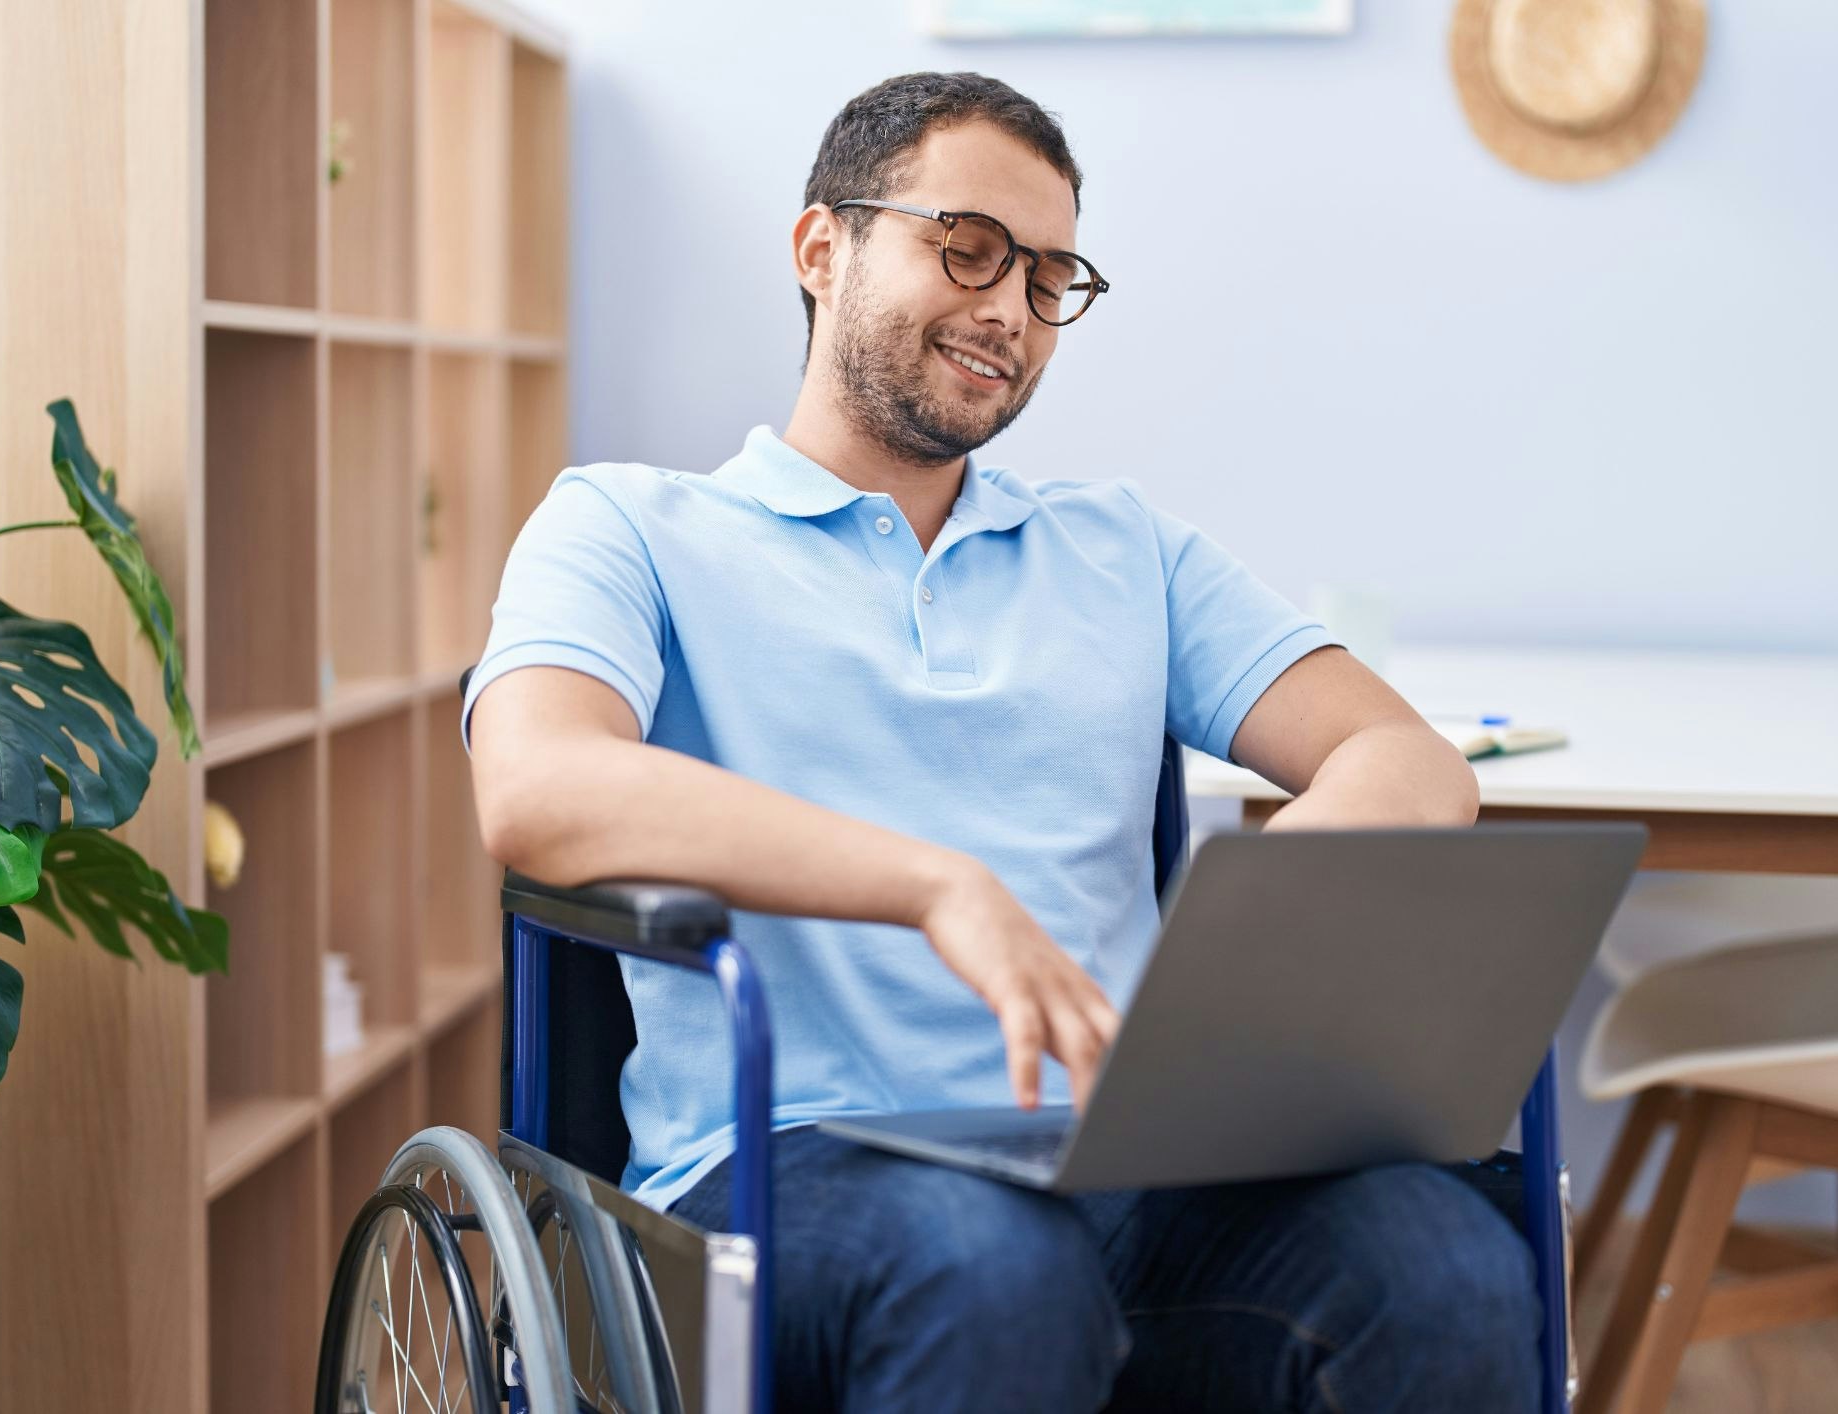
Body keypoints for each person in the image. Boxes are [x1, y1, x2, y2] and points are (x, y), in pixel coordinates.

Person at [465, 69, 1538, 1414]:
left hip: (1120, 1156)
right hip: (787, 1162)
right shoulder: (627, 527)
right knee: (989, 1263)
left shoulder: (1120, 546)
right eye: (965, 248)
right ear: (821, 247)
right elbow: (536, 784)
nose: (1007, 311)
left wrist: (1237, 952)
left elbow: (1405, 760)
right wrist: (936, 882)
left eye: (1047, 279)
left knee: (1443, 1263)